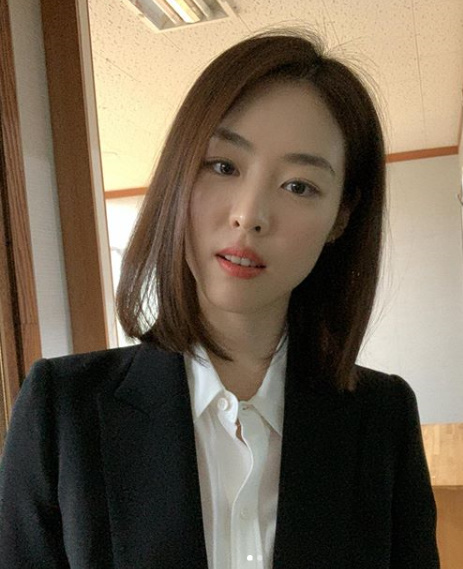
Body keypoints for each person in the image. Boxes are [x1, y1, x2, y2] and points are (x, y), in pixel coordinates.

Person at [0, 30, 439, 568]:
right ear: (179, 173)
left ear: (341, 217)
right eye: (224, 166)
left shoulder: (382, 418)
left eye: (299, 186)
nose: (249, 215)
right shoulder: (63, 410)